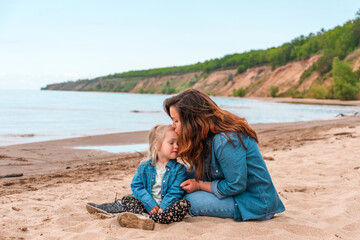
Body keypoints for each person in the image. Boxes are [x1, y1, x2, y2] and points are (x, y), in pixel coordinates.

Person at [163, 89, 285, 221]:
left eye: (176, 121)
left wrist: (199, 185)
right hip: (231, 190)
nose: (173, 126)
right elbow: (205, 171)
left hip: (253, 202)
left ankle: (165, 201)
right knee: (175, 171)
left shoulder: (226, 140)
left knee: (190, 201)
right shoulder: (204, 136)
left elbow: (235, 185)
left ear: (192, 120)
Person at [86, 124, 190, 230]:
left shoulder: (179, 169)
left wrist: (163, 206)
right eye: (171, 143)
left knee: (184, 205)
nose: (176, 146)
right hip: (145, 206)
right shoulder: (144, 167)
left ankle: (148, 219)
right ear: (157, 145)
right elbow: (137, 186)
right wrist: (149, 203)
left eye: (178, 143)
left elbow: (176, 191)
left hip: (165, 209)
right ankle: (142, 217)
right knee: (128, 199)